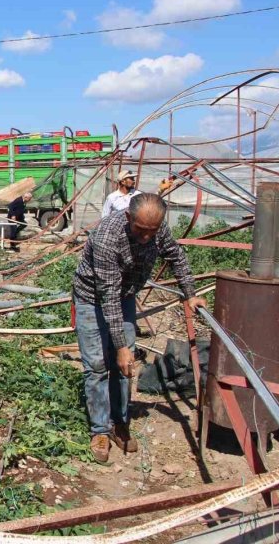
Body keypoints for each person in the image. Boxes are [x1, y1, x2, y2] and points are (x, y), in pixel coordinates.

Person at [73, 193, 207, 462]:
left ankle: (119, 423)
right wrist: (121, 346)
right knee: (97, 364)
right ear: (128, 218)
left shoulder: (158, 229)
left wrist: (190, 293)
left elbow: (176, 257)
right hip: (92, 298)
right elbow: (108, 296)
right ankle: (100, 430)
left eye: (152, 231)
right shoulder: (107, 237)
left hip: (125, 295)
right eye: (141, 229)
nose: (146, 237)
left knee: (125, 366)